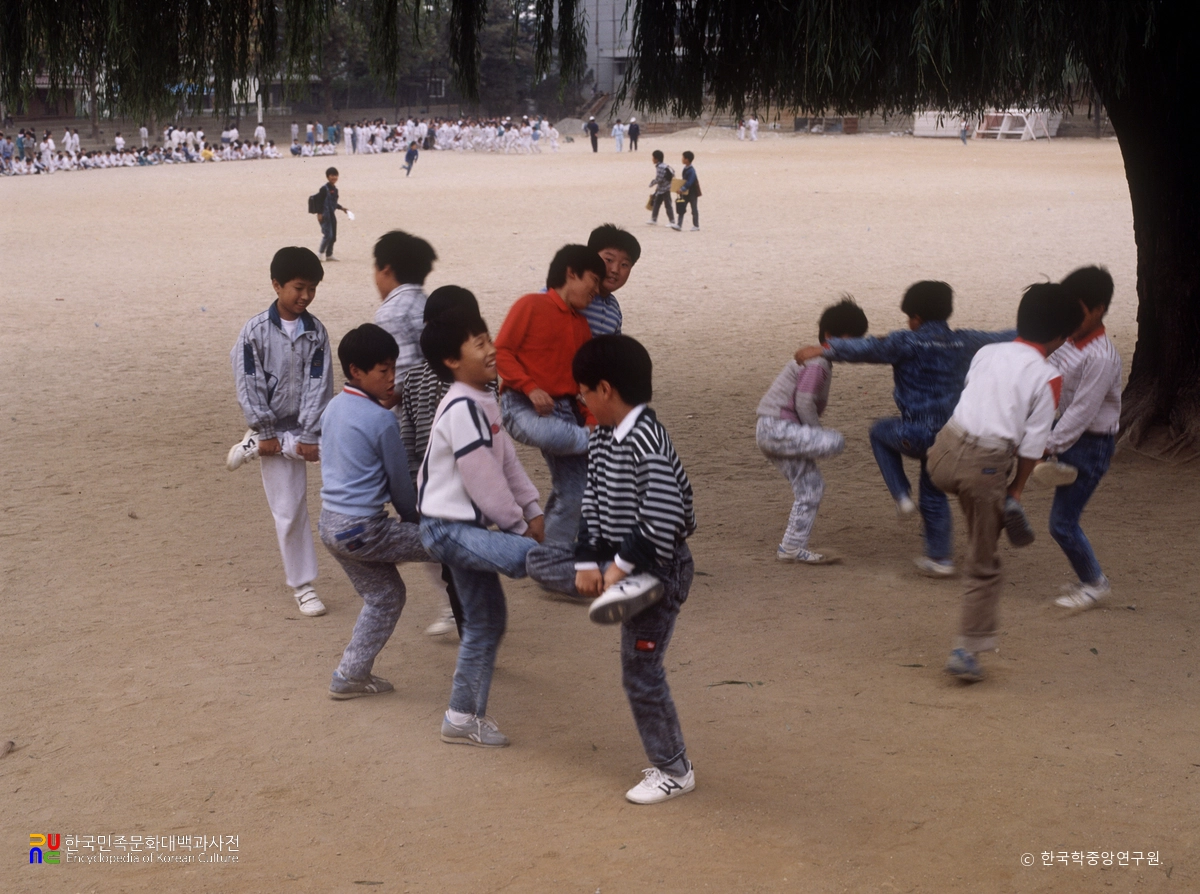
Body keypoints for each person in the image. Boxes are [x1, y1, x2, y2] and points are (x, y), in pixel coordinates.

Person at [795, 281, 1015, 577]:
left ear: (916, 318)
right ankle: (940, 559)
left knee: (879, 432)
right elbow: (1004, 337)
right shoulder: (965, 341)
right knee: (933, 491)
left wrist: (825, 348)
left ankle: (901, 495)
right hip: (950, 438)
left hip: (915, 432)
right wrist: (1043, 332)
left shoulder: (905, 342)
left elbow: (867, 347)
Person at [927, 283, 1083, 683]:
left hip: (942, 454)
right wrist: (1016, 490)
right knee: (984, 564)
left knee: (972, 492)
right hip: (985, 470)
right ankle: (965, 650)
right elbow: (1032, 444)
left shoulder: (986, 352)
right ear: (1060, 337)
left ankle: (992, 508)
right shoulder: (1048, 375)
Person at [573, 335, 698, 803]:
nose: (582, 401)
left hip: (661, 565)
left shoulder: (646, 438)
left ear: (605, 389)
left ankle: (674, 770)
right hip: (632, 561)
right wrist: (588, 559)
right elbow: (592, 499)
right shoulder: (604, 436)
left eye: (584, 392)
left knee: (642, 672)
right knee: (639, 667)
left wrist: (620, 568)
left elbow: (665, 511)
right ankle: (671, 762)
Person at [418, 308, 545, 747]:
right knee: (529, 557)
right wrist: (518, 526)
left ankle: (461, 716)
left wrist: (533, 509)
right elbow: (483, 478)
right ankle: (601, 572)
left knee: (488, 620)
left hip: (466, 527)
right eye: (478, 343)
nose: (491, 349)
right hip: (447, 529)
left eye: (488, 338)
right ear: (453, 360)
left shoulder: (483, 401)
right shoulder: (461, 408)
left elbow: (507, 462)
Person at [319, 324, 429, 699]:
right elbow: (401, 486)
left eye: (393, 369)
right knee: (452, 541)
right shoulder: (381, 420)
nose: (391, 378)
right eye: (383, 371)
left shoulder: (334, 406)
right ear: (356, 371)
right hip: (364, 530)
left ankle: (349, 676)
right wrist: (418, 520)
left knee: (386, 596)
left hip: (330, 525)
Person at [226, 247, 334, 618]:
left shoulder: (316, 332)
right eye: (298, 287)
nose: (305, 296)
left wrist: (308, 434)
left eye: (313, 289)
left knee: (335, 455)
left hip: (303, 426)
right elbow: (249, 383)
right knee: (289, 510)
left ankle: (254, 444)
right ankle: (303, 585)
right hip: (272, 425)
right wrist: (266, 429)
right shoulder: (252, 333)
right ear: (276, 285)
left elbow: (319, 383)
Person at [494, 246, 605, 544]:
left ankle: (551, 561)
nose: (597, 290)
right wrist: (530, 387)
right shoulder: (530, 304)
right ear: (571, 273)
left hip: (567, 412)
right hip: (522, 406)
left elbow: (583, 388)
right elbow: (501, 352)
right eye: (593, 280)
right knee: (558, 436)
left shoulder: (582, 327)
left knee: (576, 491)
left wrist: (591, 419)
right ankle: (602, 442)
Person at [757, 299, 869, 564]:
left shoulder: (820, 362)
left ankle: (792, 547)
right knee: (835, 441)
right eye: (850, 341)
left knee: (811, 488)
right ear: (830, 336)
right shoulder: (818, 362)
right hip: (778, 428)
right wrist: (818, 436)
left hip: (775, 431)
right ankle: (792, 547)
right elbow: (804, 402)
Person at [1042, 266, 1122, 612]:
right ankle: (1087, 579)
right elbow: (1049, 372)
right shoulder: (1071, 341)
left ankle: (1094, 583)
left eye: (1077, 310)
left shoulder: (1101, 356)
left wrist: (1049, 444)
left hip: (1091, 444)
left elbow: (1082, 412)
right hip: (1070, 436)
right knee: (1063, 519)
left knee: (1062, 522)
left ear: (1099, 309)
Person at [372, 229, 438, 400]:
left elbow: (402, 380)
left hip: (412, 416)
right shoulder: (427, 302)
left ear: (386, 270)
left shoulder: (392, 313)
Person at [581, 224, 640, 337]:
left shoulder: (613, 307)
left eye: (624, 264)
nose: (615, 270)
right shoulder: (573, 294)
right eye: (609, 260)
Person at [316, 167, 348, 262]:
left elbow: (333, 203)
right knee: (328, 235)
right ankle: (320, 253)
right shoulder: (323, 189)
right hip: (325, 215)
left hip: (331, 215)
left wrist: (342, 208)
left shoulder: (335, 189)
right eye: (332, 175)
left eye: (335, 175)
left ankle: (329, 254)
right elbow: (319, 202)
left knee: (333, 236)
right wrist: (319, 214)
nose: (334, 177)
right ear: (327, 177)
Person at [673, 150, 701, 231]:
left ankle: (696, 225)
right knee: (682, 208)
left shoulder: (691, 170)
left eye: (683, 158)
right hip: (686, 192)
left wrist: (682, 189)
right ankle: (679, 225)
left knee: (694, 209)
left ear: (687, 159)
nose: (682, 159)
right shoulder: (686, 168)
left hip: (692, 192)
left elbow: (690, 182)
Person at [647, 150, 676, 227]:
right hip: (663, 188)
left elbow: (659, 179)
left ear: (656, 159)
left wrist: (652, 183)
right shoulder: (665, 165)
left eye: (653, 158)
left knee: (667, 205)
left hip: (664, 189)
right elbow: (673, 173)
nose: (652, 159)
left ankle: (672, 221)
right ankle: (654, 219)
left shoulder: (659, 167)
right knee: (656, 203)